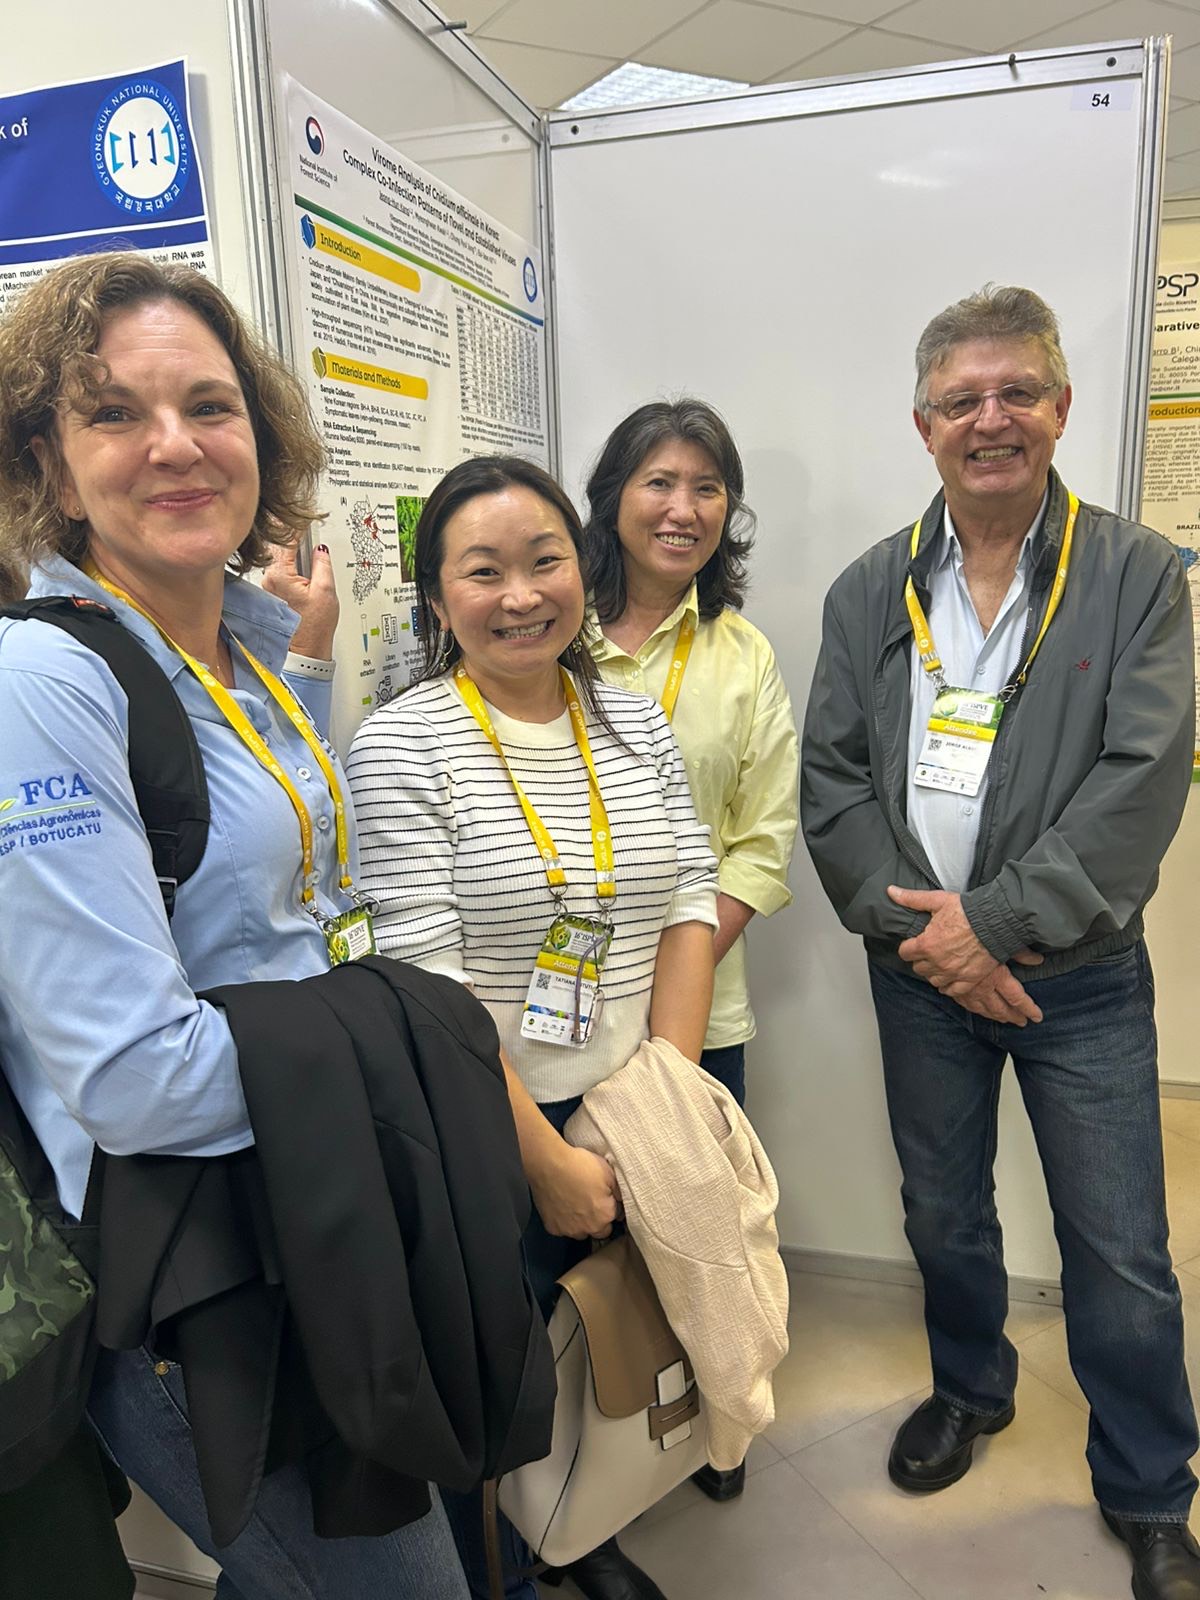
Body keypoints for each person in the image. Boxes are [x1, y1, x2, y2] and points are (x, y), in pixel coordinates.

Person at [0, 252, 469, 1600]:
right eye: (113, 413)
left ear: (261, 437)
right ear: (48, 459)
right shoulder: (44, 685)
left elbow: (289, 906)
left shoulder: (250, 651)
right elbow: (136, 1082)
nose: (175, 444)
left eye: (210, 405)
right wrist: (399, 1055)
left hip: (314, 1202)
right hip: (201, 1268)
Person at [801, 284, 1198, 1600]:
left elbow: (1142, 784)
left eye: (1017, 391)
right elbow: (833, 785)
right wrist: (934, 941)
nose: (992, 419)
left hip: (1078, 978)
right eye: (962, 399)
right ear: (923, 425)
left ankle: (1149, 1486)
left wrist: (998, 926)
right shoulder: (871, 589)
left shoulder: (1138, 576)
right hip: (919, 973)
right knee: (944, 1213)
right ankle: (972, 1388)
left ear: (1062, 408)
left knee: (1119, 1248)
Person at [345, 454, 720, 1600]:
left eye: (544, 560)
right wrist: (547, 1160)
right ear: (437, 597)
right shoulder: (402, 744)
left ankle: (580, 1529)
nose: (520, 595)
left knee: (597, 1343)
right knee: (496, 1375)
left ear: (582, 568)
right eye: (483, 570)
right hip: (482, 1128)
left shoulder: (632, 723)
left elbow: (691, 898)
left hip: (624, 1100)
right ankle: (498, 1571)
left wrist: (659, 1102)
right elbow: (428, 981)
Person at [582, 398, 798, 1502]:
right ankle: (597, 1455)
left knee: (706, 1230)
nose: (683, 508)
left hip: (702, 1002)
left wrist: (686, 961)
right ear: (612, 497)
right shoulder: (547, 627)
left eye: (707, 487)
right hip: (562, 1011)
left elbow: (762, 839)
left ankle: (718, 1412)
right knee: (591, 1240)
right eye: (659, 482)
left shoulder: (741, 655)